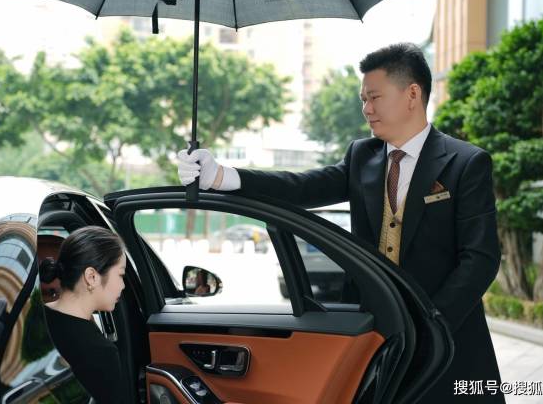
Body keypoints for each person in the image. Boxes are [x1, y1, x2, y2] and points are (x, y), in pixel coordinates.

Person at [177, 43, 504, 403]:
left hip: (447, 339)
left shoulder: (465, 162)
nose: (366, 109)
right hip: (377, 336)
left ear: (412, 94)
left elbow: (480, 258)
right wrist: (221, 176)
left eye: (375, 97)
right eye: (363, 99)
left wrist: (432, 325)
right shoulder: (362, 156)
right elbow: (300, 187)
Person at [39, 226, 133, 404]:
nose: (123, 285)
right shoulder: (101, 353)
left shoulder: (34, 318)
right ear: (91, 277)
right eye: (121, 275)